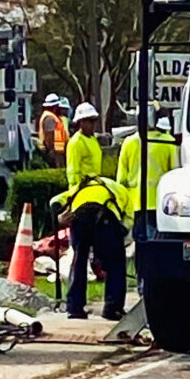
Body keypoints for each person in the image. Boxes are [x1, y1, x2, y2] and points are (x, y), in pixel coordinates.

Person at [54, 102, 127, 321]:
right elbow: (73, 174)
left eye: (93, 121)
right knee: (83, 257)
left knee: (84, 256)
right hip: (85, 200)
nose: (92, 125)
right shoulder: (76, 143)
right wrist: (76, 200)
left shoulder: (91, 141)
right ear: (79, 122)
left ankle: (80, 305)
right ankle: (78, 306)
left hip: (94, 195)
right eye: (88, 121)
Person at [117, 110, 180, 229]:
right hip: (159, 202)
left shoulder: (128, 143)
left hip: (134, 203)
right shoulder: (167, 141)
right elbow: (175, 174)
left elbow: (121, 179)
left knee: (139, 240)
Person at [37, 95, 69, 167]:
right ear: (54, 107)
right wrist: (51, 151)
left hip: (57, 151)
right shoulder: (49, 118)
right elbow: (49, 135)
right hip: (54, 152)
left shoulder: (53, 117)